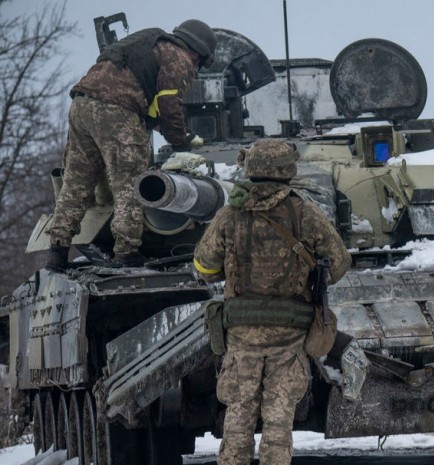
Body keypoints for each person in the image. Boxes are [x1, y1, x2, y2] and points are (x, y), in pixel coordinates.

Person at [193, 139, 351, 465]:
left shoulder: (229, 214)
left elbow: (204, 268)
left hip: (241, 331)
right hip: (289, 332)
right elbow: (338, 263)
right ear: (287, 170)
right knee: (279, 418)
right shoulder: (305, 212)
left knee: (239, 413)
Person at [45, 19, 216, 270]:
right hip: (116, 111)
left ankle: (56, 254)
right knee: (130, 183)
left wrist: (163, 127)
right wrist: (181, 140)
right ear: (197, 52)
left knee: (76, 184)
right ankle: (126, 252)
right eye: (199, 62)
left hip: (81, 106)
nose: (195, 66)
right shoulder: (179, 57)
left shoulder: (152, 44)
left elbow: (150, 107)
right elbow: (170, 105)